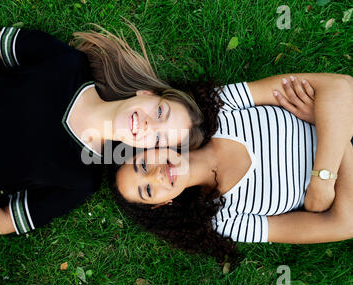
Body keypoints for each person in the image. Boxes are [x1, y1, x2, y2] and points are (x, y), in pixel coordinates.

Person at [0, 24, 206, 235]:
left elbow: (3, 222)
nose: (149, 124)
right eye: (160, 112)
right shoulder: (67, 65)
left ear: (147, 151)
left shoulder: (80, 179)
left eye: (158, 137)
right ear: (147, 94)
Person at [111, 74, 353, 261]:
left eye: (143, 165)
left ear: (148, 147)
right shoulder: (225, 221)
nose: (156, 175)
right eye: (148, 191)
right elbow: (345, 223)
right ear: (163, 203)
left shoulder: (219, 110)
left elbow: (341, 87)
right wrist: (332, 123)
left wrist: (323, 180)